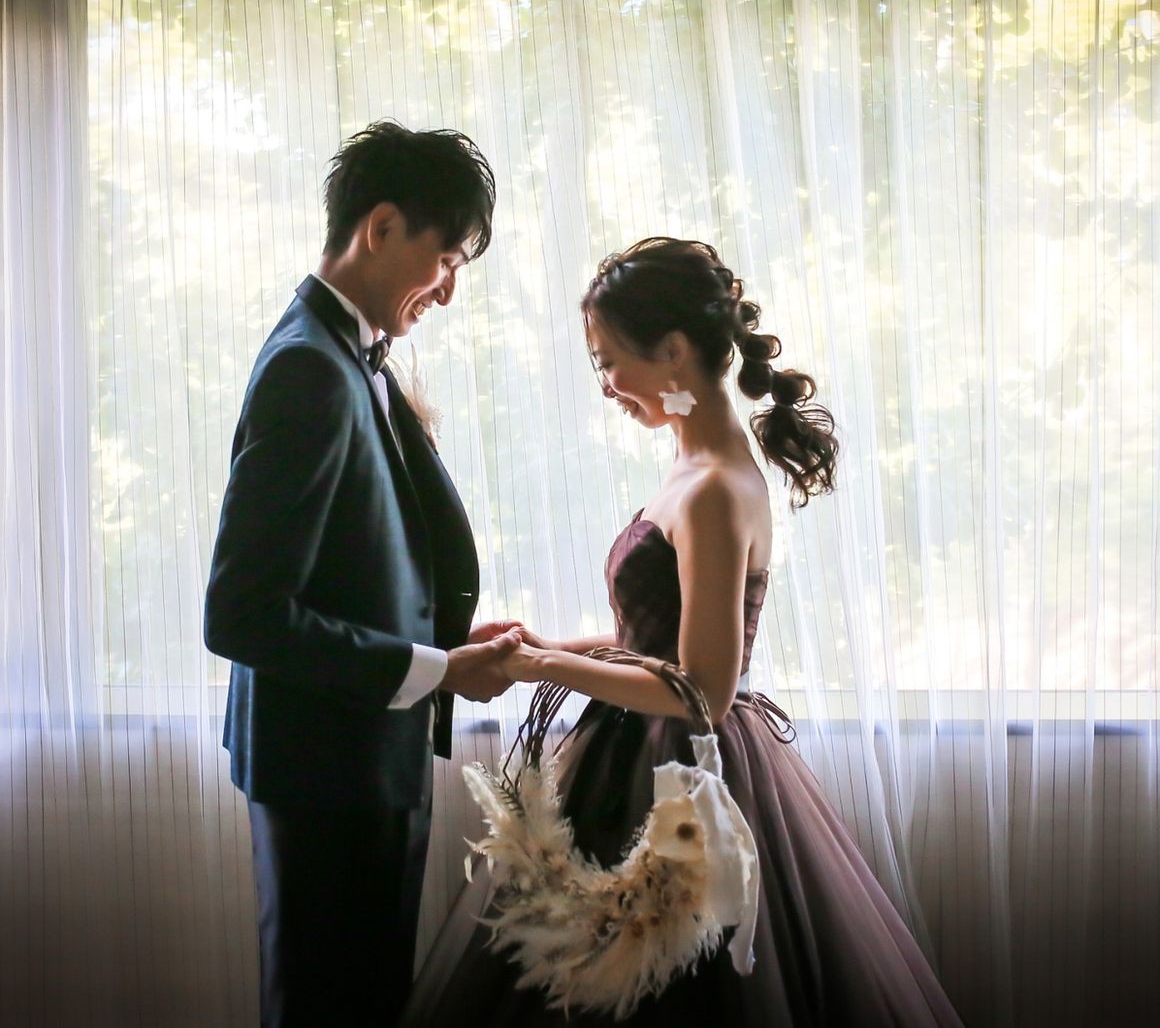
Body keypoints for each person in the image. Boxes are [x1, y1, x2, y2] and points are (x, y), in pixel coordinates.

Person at [403, 237, 963, 1025]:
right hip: (636, 745)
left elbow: (702, 689)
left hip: (680, 765)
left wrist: (542, 669)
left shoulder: (713, 490)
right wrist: (545, 647)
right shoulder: (695, 471)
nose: (605, 384)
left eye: (608, 361)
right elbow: (652, 647)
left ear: (672, 350)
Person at [203, 120, 520, 1027]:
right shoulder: (309, 366)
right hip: (326, 777)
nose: (449, 290)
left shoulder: (346, 354)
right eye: (447, 259)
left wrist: (446, 639)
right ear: (381, 228)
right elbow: (243, 614)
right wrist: (438, 670)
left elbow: (348, 564)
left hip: (359, 762)